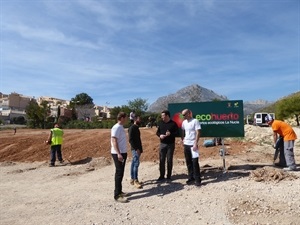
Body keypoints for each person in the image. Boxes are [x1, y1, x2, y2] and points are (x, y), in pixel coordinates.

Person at [111, 112, 129, 203]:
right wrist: (118, 154)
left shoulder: (121, 127)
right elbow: (114, 141)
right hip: (118, 153)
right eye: (125, 117)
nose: (126, 119)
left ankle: (120, 191)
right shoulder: (116, 127)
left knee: (121, 173)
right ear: (122, 118)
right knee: (118, 173)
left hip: (122, 153)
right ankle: (117, 195)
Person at [156, 110, 178, 182]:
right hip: (162, 144)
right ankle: (161, 176)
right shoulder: (160, 123)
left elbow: (177, 133)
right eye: (161, 116)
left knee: (169, 160)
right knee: (162, 160)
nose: (162, 117)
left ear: (167, 116)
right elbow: (157, 132)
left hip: (170, 145)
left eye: (163, 115)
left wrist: (170, 134)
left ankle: (169, 176)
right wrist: (160, 135)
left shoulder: (173, 124)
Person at [181, 109, 201, 186]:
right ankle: (190, 177)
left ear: (189, 113)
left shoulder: (195, 121)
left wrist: (196, 143)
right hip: (186, 144)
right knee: (188, 161)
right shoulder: (184, 122)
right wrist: (183, 140)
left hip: (193, 144)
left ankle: (197, 179)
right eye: (182, 115)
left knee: (195, 162)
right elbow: (182, 131)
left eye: (184, 114)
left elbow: (198, 132)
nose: (183, 116)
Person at [128, 115, 143, 189]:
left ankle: (132, 179)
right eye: (139, 119)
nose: (140, 121)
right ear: (135, 119)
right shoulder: (132, 128)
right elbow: (131, 140)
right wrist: (137, 149)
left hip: (137, 149)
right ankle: (135, 180)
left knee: (133, 163)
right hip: (135, 149)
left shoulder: (136, 128)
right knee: (136, 164)